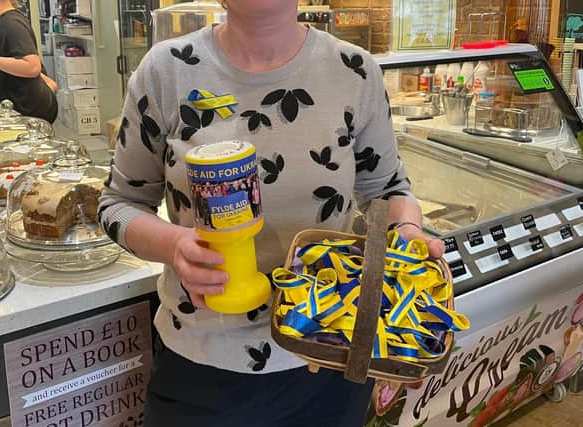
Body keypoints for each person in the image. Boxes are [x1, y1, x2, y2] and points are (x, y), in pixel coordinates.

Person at [99, 1, 445, 426]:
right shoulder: (167, 70)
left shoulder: (353, 70)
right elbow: (118, 204)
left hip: (330, 356)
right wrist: (174, 246)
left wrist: (407, 233)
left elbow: (388, 190)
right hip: (201, 363)